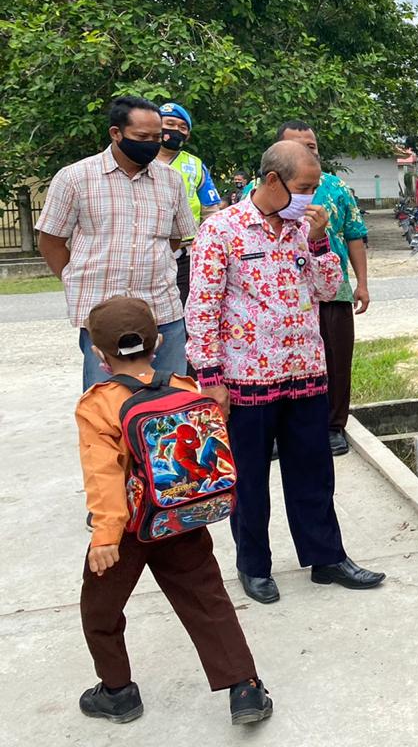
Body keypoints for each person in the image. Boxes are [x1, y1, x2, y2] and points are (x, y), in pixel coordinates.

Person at [186, 140, 384, 604]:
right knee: (250, 477)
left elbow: (329, 287)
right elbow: (201, 309)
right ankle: (254, 565)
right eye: (304, 187)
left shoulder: (304, 229)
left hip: (305, 370)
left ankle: (326, 557)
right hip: (247, 378)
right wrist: (210, 378)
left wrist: (319, 242)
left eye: (314, 188)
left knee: (314, 471)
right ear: (272, 181)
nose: (311, 198)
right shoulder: (222, 230)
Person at [76, 296, 271, 726]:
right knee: (208, 600)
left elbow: (103, 474)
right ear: (159, 340)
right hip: (182, 517)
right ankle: (245, 688)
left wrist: (105, 535)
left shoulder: (99, 404)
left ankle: (117, 691)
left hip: (127, 531)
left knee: (100, 610)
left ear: (98, 353)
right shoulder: (185, 388)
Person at [37, 95, 195, 391]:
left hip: (162, 311)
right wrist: (74, 279)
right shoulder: (75, 178)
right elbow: (51, 241)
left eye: (156, 136)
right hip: (104, 319)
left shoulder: (171, 181)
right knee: (109, 408)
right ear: (116, 133)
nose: (151, 143)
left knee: (171, 403)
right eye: (141, 136)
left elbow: (176, 236)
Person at [272, 121, 371, 455]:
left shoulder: (335, 187)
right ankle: (277, 427)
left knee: (336, 359)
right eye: (298, 146)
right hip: (281, 294)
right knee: (280, 360)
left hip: (333, 288)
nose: (307, 151)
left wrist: (362, 284)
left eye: (311, 145)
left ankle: (333, 426)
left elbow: (355, 235)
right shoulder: (263, 192)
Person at [156, 102, 221, 305]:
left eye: (182, 128)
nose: (175, 130)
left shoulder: (195, 165)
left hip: (186, 256)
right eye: (169, 124)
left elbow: (211, 211)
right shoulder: (140, 159)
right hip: (146, 251)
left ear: (188, 135)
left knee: (185, 309)